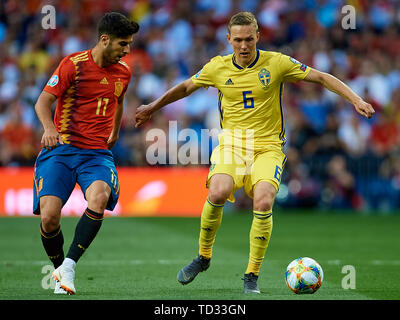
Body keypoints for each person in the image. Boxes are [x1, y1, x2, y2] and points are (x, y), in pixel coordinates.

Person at [135, 11, 374, 294]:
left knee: (262, 201)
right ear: (228, 39)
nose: (244, 46)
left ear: (258, 36)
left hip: (268, 147)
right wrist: (152, 107)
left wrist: (355, 99)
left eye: (249, 39)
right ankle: (203, 256)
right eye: (238, 40)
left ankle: (251, 275)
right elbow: (187, 86)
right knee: (217, 192)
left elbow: (321, 77)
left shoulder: (277, 63)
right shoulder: (217, 67)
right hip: (232, 145)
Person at [33, 12, 139, 295]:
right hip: (61, 150)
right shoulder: (73, 65)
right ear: (104, 40)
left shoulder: (124, 71)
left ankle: (69, 265)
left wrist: (115, 132)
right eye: (122, 44)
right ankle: (61, 271)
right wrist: (48, 128)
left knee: (100, 195)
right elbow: (43, 102)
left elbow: (118, 100)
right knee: (49, 218)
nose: (127, 50)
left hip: (96, 153)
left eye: (129, 44)